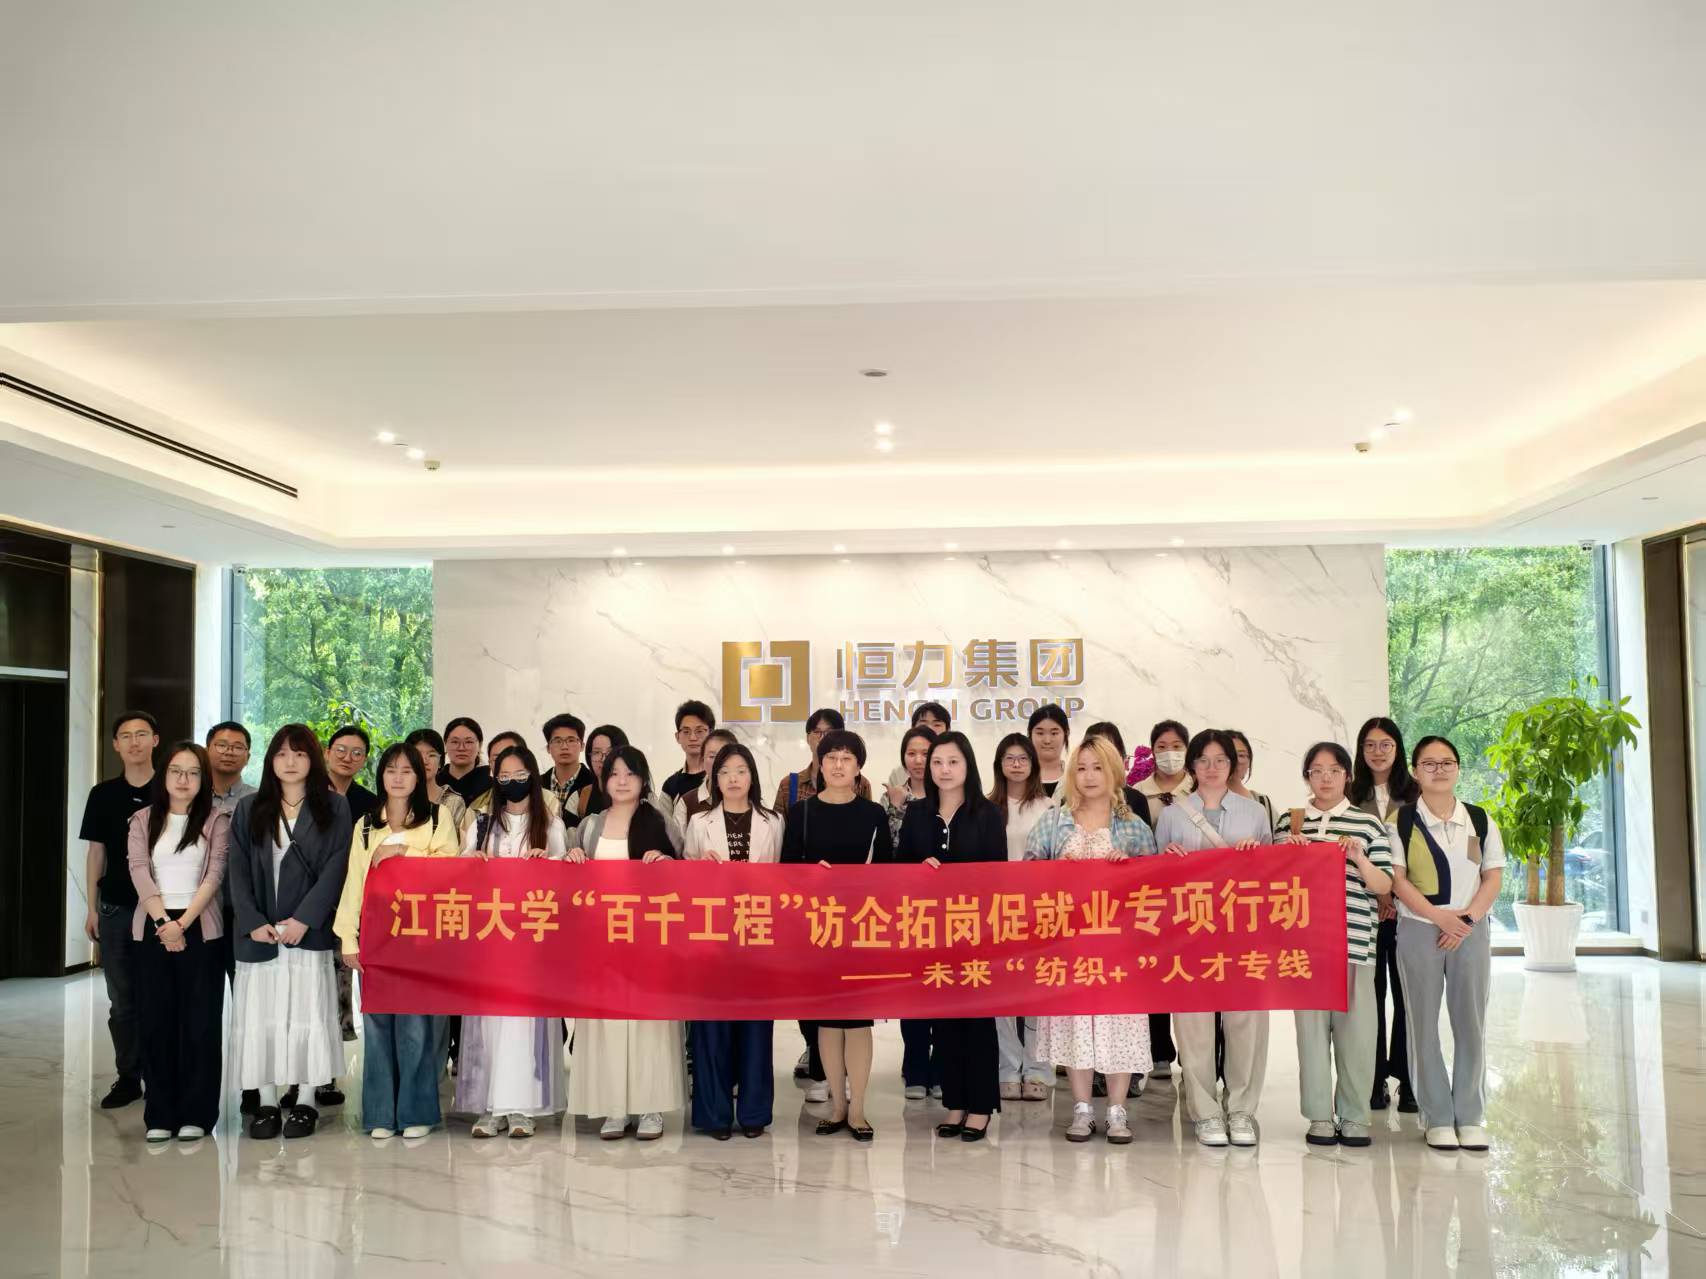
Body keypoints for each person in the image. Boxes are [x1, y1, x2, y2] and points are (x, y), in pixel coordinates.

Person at [1025, 736, 1157, 1144]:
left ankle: (1117, 1110)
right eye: (1081, 768)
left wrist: (1128, 870)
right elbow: (1026, 880)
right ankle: (1081, 1108)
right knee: (1075, 1024)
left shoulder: (1133, 826)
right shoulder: (1053, 822)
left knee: (1121, 1025)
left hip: (1119, 950)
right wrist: (1055, 871)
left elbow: (1155, 889)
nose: (1089, 776)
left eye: (1098, 767)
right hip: (1069, 948)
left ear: (1114, 771)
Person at [228, 725, 353, 1140]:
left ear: (313, 759)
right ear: (270, 761)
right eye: (281, 754)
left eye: (299, 754)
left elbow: (337, 866)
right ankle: (266, 1100)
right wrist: (252, 921)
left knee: (308, 1014)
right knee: (260, 1017)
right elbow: (237, 870)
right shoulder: (250, 808)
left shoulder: (334, 807)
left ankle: (305, 1100)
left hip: (307, 932)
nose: (290, 762)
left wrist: (305, 919)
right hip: (260, 933)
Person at [334, 742, 460, 1139]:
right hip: (377, 938)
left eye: (407, 770)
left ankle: (416, 1113)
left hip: (422, 939)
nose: (399, 778)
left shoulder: (437, 818)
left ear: (419, 777)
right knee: (378, 1026)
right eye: (391, 770)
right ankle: (379, 1115)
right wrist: (348, 938)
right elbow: (354, 881)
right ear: (381, 776)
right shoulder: (366, 824)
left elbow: (452, 871)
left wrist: (404, 853)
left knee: (417, 1027)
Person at [1154, 729, 1273, 1147]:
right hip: (1191, 935)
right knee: (1195, 1028)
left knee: (1246, 1023)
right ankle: (1205, 1113)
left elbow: (1274, 877)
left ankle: (1241, 1110)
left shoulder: (1254, 812)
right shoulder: (1173, 815)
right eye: (1203, 760)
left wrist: (1258, 858)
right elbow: (1155, 883)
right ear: (1192, 766)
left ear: (1232, 764)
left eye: (1220, 759)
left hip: (1243, 933)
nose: (1212, 767)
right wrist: (1167, 861)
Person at [1388, 735, 1504, 1154]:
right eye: (1429, 763)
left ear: (1458, 768)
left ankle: (1469, 1115)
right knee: (1421, 1024)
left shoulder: (1480, 819)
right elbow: (1397, 880)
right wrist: (1441, 919)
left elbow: (1493, 876)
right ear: (1415, 771)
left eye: (1447, 762)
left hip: (1470, 931)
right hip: (1420, 929)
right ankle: (1436, 1116)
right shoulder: (1400, 822)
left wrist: (1466, 920)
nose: (1439, 770)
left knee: (1471, 1022)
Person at [565, 746, 688, 1140]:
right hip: (601, 944)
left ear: (642, 779)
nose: (621, 781)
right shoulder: (590, 826)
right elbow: (570, 882)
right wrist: (572, 858)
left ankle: (650, 1108)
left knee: (649, 1024)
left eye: (630, 774)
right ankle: (614, 1108)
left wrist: (669, 865)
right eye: (614, 773)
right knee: (609, 1025)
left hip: (649, 942)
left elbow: (688, 873)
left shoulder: (660, 821)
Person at [1277, 741, 1394, 1148]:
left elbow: (1383, 885)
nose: (1325, 778)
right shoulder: (1290, 822)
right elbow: (1272, 884)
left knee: (1357, 1035)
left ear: (1347, 775)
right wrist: (1285, 855)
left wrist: (1359, 858)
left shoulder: (1367, 824)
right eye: (1317, 771)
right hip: (1305, 950)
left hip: (1355, 943)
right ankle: (1319, 1116)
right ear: (1307, 776)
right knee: (1310, 1037)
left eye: (1334, 770)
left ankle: (1355, 1115)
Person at [781, 729, 893, 1141]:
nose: (839, 765)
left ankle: (859, 1109)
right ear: (820, 764)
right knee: (827, 1021)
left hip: (861, 930)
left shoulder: (873, 814)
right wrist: (810, 876)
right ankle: (837, 1107)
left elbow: (888, 872)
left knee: (857, 1022)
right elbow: (787, 870)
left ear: (859, 766)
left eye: (847, 758)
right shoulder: (802, 813)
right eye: (831, 757)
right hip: (818, 931)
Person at [455, 745, 569, 1138]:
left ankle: (522, 1107)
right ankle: (492, 1108)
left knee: (524, 1026)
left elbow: (565, 880)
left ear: (533, 777)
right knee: (489, 1025)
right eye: (504, 777)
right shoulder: (482, 824)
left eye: (520, 775)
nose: (512, 783)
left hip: (531, 943)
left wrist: (546, 864)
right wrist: (472, 863)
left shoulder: (550, 824)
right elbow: (460, 869)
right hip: (490, 940)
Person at [898, 732, 1006, 1142]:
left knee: (977, 1022)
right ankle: (955, 1103)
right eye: (937, 762)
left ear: (968, 766)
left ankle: (980, 1106)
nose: (944, 770)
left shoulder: (987, 814)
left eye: (953, 762)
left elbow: (997, 875)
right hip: (931, 935)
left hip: (976, 935)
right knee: (942, 1022)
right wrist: (917, 870)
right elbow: (898, 869)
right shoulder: (917, 813)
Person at [127, 742, 230, 1142]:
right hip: (153, 928)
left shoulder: (216, 820)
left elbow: (215, 874)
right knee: (156, 1022)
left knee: (201, 1024)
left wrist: (182, 924)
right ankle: (160, 1114)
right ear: (164, 775)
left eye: (193, 772)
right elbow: (139, 870)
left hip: (201, 928)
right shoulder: (142, 819)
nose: (184, 779)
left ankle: (197, 1114)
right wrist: (163, 922)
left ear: (203, 779)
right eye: (176, 771)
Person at [682, 742, 785, 1138]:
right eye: (724, 772)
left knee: (756, 1029)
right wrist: (698, 867)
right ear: (715, 779)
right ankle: (715, 1114)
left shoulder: (773, 822)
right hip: (713, 938)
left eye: (741, 770)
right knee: (712, 1028)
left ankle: (754, 1114)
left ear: (752, 776)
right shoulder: (699, 822)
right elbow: (685, 878)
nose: (733, 779)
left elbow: (782, 877)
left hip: (758, 935)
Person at [80, 710, 160, 1110]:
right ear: (115, 745)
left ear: (155, 740)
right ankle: (128, 1077)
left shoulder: (172, 788)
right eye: (126, 736)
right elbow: (96, 853)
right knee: (122, 998)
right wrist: (91, 908)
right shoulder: (102, 794)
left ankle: (161, 1074)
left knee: (160, 994)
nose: (134, 742)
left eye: (142, 734)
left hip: (164, 911)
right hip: (115, 908)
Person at [1350, 716, 1420, 1115]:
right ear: (1360, 751)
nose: (1378, 752)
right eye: (1370, 745)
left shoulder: (1416, 793)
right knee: (1369, 999)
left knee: (1409, 996)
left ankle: (1409, 1078)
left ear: (1398, 749)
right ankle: (1373, 1077)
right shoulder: (1348, 794)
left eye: (1386, 744)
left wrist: (1394, 895)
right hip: (1364, 912)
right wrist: (1378, 895)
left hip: (1410, 911)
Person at [986, 733, 1055, 1101]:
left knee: (1037, 992)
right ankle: (1007, 1067)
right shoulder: (984, 807)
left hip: (1039, 910)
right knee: (1002, 994)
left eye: (1022, 758)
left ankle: (1038, 1068)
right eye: (1009, 758)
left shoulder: (1049, 807)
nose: (1016, 764)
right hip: (996, 912)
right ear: (999, 764)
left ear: (1033, 764)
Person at [885, 723, 940, 1099]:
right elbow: (890, 852)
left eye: (926, 753)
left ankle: (941, 1068)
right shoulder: (891, 798)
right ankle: (916, 1067)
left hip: (950, 910)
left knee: (944, 988)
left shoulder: (950, 795)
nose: (918, 760)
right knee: (914, 991)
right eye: (912, 753)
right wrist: (896, 807)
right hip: (907, 909)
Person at [1134, 718, 1192, 1078]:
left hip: (1191, 895)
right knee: (1153, 971)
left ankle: (1192, 1052)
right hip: (1150, 895)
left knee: (1188, 974)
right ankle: (1158, 1050)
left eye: (1176, 746)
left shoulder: (1199, 789)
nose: (1169, 753)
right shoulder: (1137, 793)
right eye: (1161, 747)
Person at [205, 721, 255, 1017]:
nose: (229, 752)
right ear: (207, 749)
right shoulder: (191, 797)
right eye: (222, 745)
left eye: (237, 747)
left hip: (242, 913)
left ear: (248, 756)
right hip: (200, 912)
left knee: (247, 999)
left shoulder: (258, 801)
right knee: (202, 1001)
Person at [773, 708, 873, 809]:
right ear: (808, 738)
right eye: (817, 732)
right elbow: (778, 819)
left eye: (829, 732)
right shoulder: (789, 784)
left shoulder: (860, 783)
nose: (822, 738)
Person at [1082, 721, 1154, 828]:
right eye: (1095, 747)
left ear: (1120, 754)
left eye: (1107, 747)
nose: (1101, 754)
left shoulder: (1137, 799)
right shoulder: (1073, 798)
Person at [671, 727, 739, 829]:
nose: (718, 762)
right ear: (702, 760)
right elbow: (677, 839)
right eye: (712, 756)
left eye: (724, 756)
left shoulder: (749, 800)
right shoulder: (687, 803)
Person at [405, 728, 468, 836]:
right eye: (418, 755)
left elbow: (453, 842)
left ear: (440, 762)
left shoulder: (453, 802)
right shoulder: (397, 799)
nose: (425, 761)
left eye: (432, 755)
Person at [884, 702, 951, 793]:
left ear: (948, 730)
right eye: (923, 724)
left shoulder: (957, 768)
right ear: (913, 728)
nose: (929, 729)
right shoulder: (899, 774)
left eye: (937, 725)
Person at [660, 699, 717, 803]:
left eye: (699, 731)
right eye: (686, 732)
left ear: (711, 734)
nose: (692, 737)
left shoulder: (721, 778)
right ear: (677, 737)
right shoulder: (670, 785)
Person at [542, 713, 595, 823]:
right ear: (548, 748)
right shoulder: (537, 784)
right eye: (558, 741)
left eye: (571, 740)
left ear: (582, 746)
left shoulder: (594, 783)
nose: (564, 747)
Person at [325, 724, 378, 823]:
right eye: (341, 750)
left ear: (364, 760)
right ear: (327, 753)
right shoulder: (305, 790)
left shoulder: (370, 803)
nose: (347, 758)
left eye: (357, 753)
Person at [1226, 730, 1276, 829]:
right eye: (1228, 755)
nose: (1236, 761)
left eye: (1241, 755)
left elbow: (1279, 836)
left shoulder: (1262, 802)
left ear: (1249, 762)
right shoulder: (1202, 802)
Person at [439, 717, 490, 804]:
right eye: (455, 742)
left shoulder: (490, 781)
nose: (461, 748)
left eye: (468, 742)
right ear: (445, 744)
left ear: (480, 745)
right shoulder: (436, 782)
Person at [1027, 704, 1070, 797]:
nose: (1047, 740)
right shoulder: (1017, 778)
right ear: (1030, 735)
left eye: (1054, 733)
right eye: (1040, 733)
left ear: (1065, 734)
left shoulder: (1075, 776)